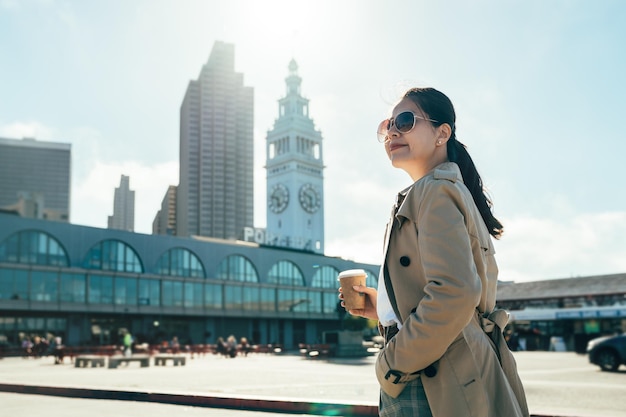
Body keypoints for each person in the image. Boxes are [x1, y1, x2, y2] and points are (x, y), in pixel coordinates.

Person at [339, 87, 529, 416]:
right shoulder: (439, 190)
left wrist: (392, 364)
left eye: (406, 120)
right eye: (388, 125)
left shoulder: (434, 191)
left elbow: (455, 292)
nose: (393, 131)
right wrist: (383, 309)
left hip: (431, 374)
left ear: (442, 133)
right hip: (442, 366)